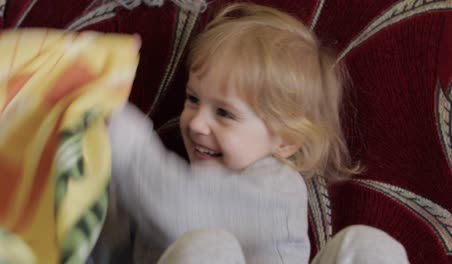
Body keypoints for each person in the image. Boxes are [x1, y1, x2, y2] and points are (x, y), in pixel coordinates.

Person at [101, 3, 409, 264]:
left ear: (286, 140)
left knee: (367, 247)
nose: (196, 123)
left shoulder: (276, 188)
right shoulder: (158, 183)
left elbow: (179, 208)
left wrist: (123, 134)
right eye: (193, 99)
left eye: (224, 113)